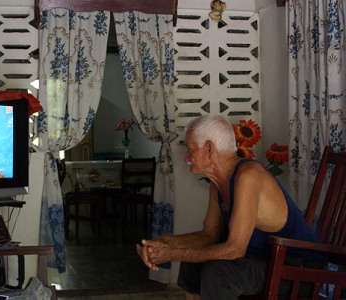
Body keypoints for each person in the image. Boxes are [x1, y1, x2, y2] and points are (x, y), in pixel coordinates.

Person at [136, 115, 325, 299]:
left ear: (209, 148)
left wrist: (171, 254)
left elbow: (235, 249)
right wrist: (162, 244)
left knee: (218, 273)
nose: (187, 156)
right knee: (191, 264)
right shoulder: (217, 184)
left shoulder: (248, 176)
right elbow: (209, 235)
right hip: (265, 261)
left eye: (191, 149)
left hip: (297, 269)